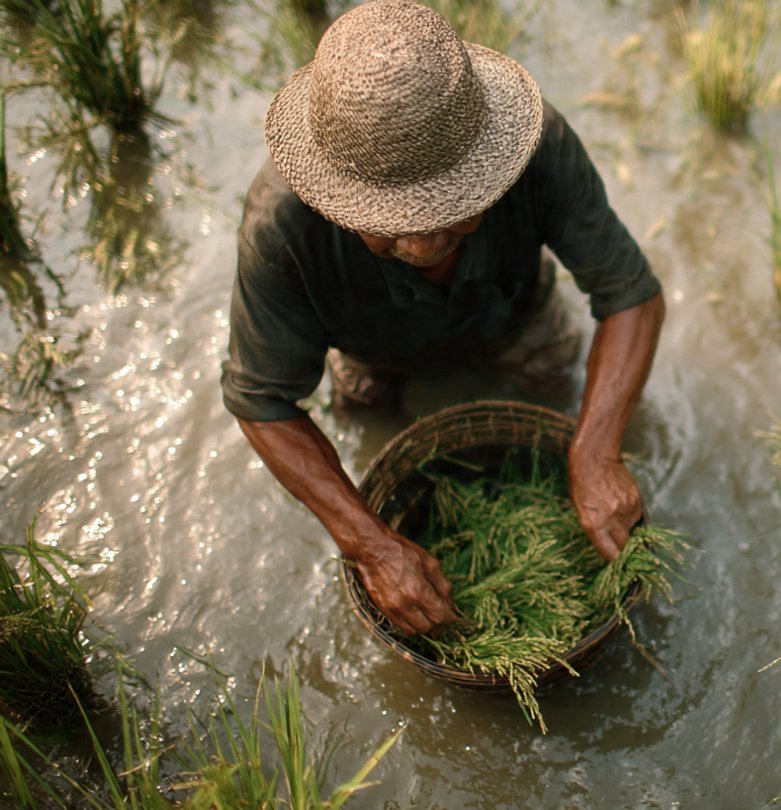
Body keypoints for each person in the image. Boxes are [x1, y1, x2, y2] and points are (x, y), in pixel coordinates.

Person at [221, 0, 664, 637]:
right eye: (391, 230)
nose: (426, 243)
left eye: (457, 210)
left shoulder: (537, 145)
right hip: (372, 346)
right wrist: (370, 543)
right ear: (340, 202)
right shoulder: (282, 229)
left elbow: (631, 294)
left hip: (515, 315)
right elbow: (261, 398)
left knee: (562, 387)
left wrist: (595, 450)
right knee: (366, 416)